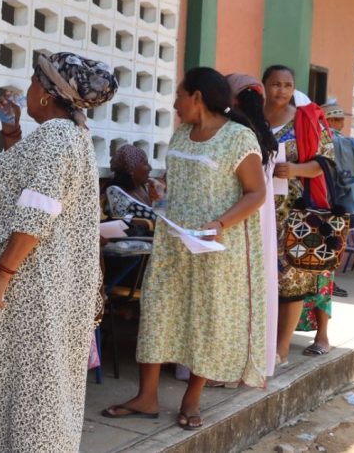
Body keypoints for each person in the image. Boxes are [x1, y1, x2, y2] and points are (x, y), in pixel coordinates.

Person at [0, 52, 117, 451]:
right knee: (28, 388)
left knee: (29, 389)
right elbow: (30, 185)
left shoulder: (56, 139)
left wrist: (2, 274)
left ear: (48, 94)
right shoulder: (66, 136)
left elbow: (38, 211)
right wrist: (12, 132)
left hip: (29, 289)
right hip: (37, 286)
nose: (29, 90)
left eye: (34, 82)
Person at [104, 67, 267, 430]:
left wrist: (220, 224)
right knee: (158, 312)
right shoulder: (180, 134)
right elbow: (180, 179)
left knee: (204, 319)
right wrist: (162, 187)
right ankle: (146, 397)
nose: (175, 104)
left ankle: (192, 399)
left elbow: (257, 192)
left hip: (212, 246)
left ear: (197, 96)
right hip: (173, 241)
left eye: (179, 96)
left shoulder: (238, 138)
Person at [262, 65, 336, 362]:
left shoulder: (306, 120)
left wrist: (295, 169)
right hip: (256, 210)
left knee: (292, 280)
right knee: (258, 278)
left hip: (295, 214)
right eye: (275, 84)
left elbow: (325, 163)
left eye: (287, 85)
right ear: (264, 85)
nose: (281, 90)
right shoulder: (251, 119)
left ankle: (280, 349)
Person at [227, 73, 283, 378]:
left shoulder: (235, 134)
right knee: (255, 290)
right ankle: (249, 360)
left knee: (232, 291)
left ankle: (226, 363)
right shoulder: (265, 135)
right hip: (261, 218)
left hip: (238, 213)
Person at [105, 144, 162, 224]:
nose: (150, 168)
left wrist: (159, 194)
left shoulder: (145, 187)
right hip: (140, 232)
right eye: (145, 164)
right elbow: (121, 219)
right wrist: (152, 223)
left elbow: (164, 214)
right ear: (131, 169)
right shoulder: (115, 191)